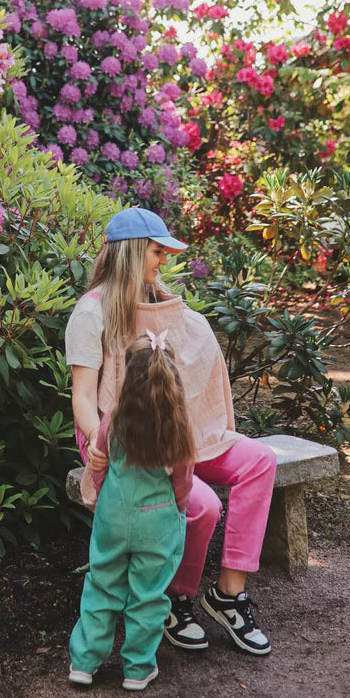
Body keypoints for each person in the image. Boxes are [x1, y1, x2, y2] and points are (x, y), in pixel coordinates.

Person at [65, 207, 277, 656]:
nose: (163, 261)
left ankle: (227, 594)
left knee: (260, 460)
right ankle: (173, 600)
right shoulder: (91, 312)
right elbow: (83, 397)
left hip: (178, 431)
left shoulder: (160, 301)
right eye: (157, 252)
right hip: (120, 442)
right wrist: (96, 447)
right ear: (131, 253)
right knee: (199, 506)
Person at [68, 332, 195, 691]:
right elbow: (183, 482)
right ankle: (138, 669)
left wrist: (99, 498)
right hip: (157, 521)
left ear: (126, 376)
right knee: (148, 595)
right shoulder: (177, 426)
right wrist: (178, 513)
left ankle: (84, 662)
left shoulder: (112, 419)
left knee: (101, 585)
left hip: (113, 515)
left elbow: (99, 466)